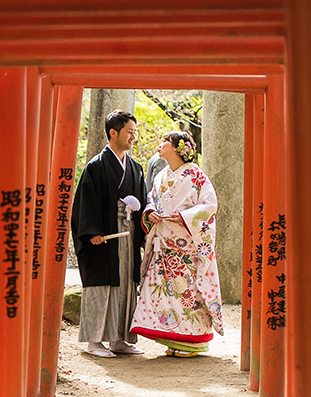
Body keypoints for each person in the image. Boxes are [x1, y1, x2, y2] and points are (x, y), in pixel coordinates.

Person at [130, 131, 224, 356]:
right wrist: (150, 211)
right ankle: (174, 339)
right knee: (167, 295)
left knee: (188, 294)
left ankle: (194, 342)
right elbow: (152, 197)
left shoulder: (196, 175)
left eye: (164, 142)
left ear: (177, 148)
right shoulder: (161, 175)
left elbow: (209, 205)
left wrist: (184, 217)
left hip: (187, 244)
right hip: (164, 243)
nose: (160, 145)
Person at [71, 110, 147, 357]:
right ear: (113, 133)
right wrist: (91, 230)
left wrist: (144, 220)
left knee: (126, 283)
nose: (133, 137)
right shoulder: (96, 166)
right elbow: (86, 202)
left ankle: (119, 338)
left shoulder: (135, 168)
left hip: (129, 232)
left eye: (135, 132)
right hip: (104, 236)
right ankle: (94, 341)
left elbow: (144, 203)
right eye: (129, 132)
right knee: (103, 285)